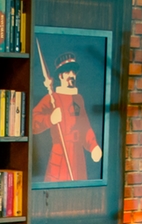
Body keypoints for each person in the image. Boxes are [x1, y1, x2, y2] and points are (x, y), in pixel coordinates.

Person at [31, 52, 102, 183]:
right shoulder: (52, 98)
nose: (72, 75)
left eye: (73, 72)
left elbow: (85, 127)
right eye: (68, 72)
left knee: (79, 190)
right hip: (60, 154)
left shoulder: (78, 99)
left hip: (78, 155)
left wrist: (93, 146)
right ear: (60, 75)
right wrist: (50, 119)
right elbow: (32, 122)